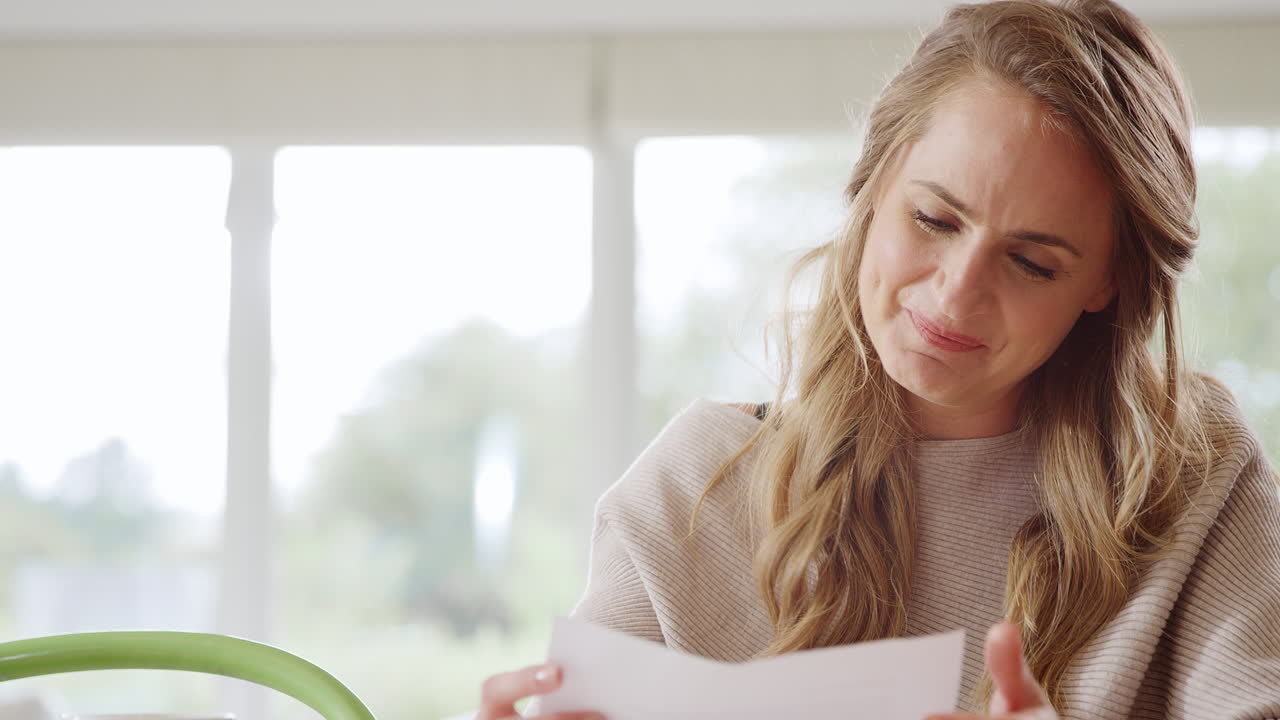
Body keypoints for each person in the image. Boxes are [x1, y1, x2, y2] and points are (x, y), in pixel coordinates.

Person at [479, 0, 1280, 718]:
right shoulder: (692, 495)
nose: (957, 294)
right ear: (872, 185)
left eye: (1033, 263)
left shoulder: (1195, 476)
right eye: (934, 218)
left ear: (1109, 282)